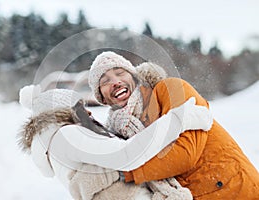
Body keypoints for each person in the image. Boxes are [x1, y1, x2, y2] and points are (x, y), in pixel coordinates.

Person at [86, 51, 259, 199]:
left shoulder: (172, 89)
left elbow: (185, 154)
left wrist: (127, 173)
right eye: (105, 81)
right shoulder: (117, 129)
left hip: (235, 189)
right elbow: (110, 154)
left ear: (134, 76)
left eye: (120, 73)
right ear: (101, 97)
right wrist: (85, 126)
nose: (115, 82)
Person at [18, 83, 212, 199]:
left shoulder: (54, 145)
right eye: (79, 107)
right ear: (62, 112)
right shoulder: (66, 135)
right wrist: (178, 119)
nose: (88, 112)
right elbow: (126, 155)